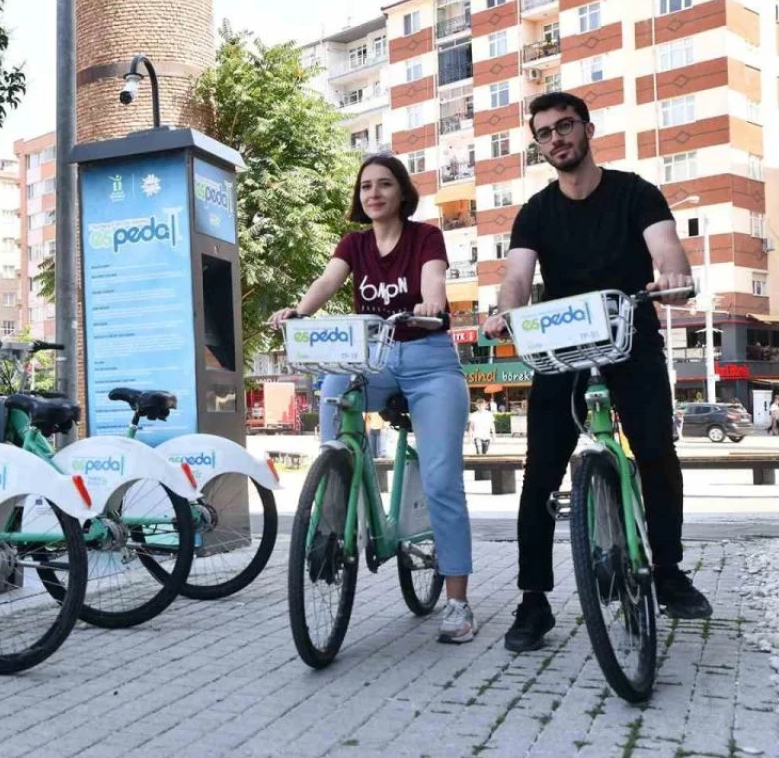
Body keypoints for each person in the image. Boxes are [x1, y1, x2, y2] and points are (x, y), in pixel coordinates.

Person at [482, 91, 710, 654]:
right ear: (538, 145)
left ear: (587, 129)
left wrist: (674, 278)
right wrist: (504, 312)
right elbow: (517, 278)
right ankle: (533, 598)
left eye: (565, 127)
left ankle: (669, 571)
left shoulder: (635, 192)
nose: (556, 138)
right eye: (544, 133)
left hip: (630, 337)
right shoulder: (534, 211)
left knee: (656, 451)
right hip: (562, 347)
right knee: (539, 475)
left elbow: (668, 254)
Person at [269, 154, 477, 644]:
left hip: (428, 358)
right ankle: (335, 496)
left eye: (385, 185)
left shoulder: (425, 236)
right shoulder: (355, 243)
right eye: (366, 187)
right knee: (332, 387)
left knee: (442, 477)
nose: (374, 193)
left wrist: (430, 304)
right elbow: (327, 281)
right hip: (373, 358)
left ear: (402, 192)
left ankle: (458, 603)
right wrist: (298, 311)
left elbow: (434, 281)